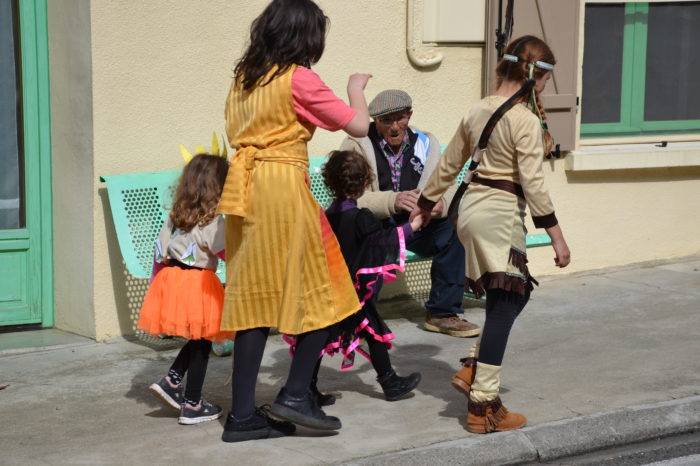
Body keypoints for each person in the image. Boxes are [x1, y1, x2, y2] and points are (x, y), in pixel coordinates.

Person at [216, 0, 372, 443]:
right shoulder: (297, 79)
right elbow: (358, 126)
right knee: (329, 289)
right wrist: (355, 87)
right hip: (282, 188)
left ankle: (242, 417)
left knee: (253, 301)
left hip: (245, 191)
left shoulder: (244, 81)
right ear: (305, 35)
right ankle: (297, 393)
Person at [410, 35, 571, 434]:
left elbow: (448, 164)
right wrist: (556, 235)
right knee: (504, 302)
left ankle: (472, 368)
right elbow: (533, 184)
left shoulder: (477, 108)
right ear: (534, 74)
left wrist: (427, 204)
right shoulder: (524, 120)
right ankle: (483, 405)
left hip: (469, 210)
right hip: (498, 214)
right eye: (547, 78)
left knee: (516, 293)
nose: (547, 87)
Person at [339, 89, 480, 338]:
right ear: (375, 121)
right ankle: (359, 319)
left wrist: (439, 205)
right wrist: (392, 200)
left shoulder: (425, 143)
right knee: (372, 240)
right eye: (386, 121)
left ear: (409, 115)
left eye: (400, 118)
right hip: (377, 223)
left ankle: (442, 313)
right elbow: (349, 197)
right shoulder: (357, 143)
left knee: (454, 230)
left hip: (415, 223)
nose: (395, 127)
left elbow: (447, 185)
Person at [301, 150, 422, 405]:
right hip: (352, 292)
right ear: (365, 182)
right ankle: (390, 382)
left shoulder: (324, 217)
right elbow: (383, 241)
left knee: (320, 338)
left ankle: (306, 389)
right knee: (373, 330)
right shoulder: (360, 218)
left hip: (327, 289)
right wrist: (413, 226)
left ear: (329, 181)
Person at [138, 153, 234, 425]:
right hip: (199, 285)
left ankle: (172, 380)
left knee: (198, 339)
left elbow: (160, 251)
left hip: (172, 279)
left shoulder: (175, 216)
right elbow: (229, 254)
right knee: (202, 343)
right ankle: (192, 404)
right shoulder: (214, 222)